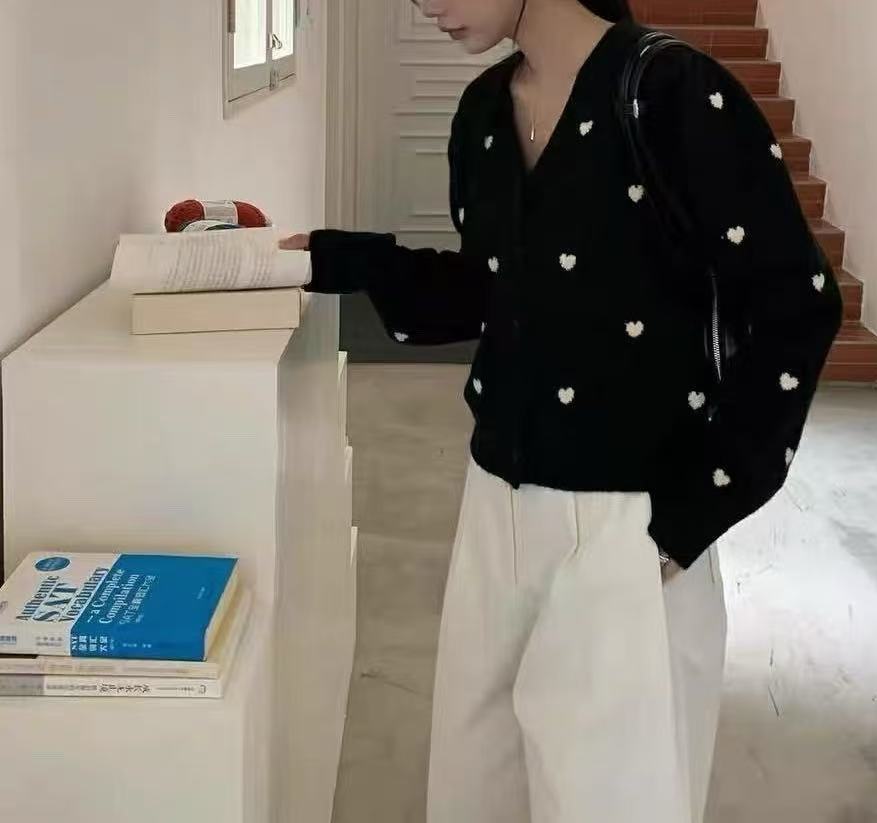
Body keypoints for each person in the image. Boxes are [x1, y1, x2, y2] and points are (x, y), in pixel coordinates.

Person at [280, 1, 844, 820]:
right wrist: (340, 259)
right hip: (494, 508)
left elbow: (798, 305)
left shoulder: (676, 93)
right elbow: (494, 293)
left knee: (610, 798)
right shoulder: (483, 113)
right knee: (479, 787)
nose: (422, 1)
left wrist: (691, 514)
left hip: (630, 520)